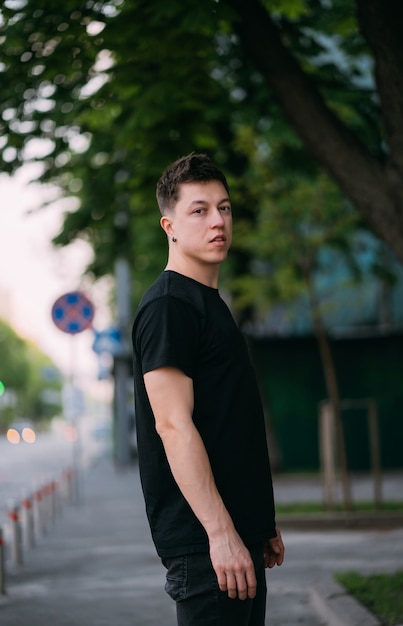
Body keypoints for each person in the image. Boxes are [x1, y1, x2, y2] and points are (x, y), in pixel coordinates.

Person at [131, 153, 284, 626]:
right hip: (207, 550)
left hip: (236, 539)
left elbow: (223, 423)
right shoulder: (170, 307)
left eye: (225, 207)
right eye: (199, 210)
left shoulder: (207, 304)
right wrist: (220, 533)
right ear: (169, 225)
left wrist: (258, 521)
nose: (218, 220)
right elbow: (173, 427)